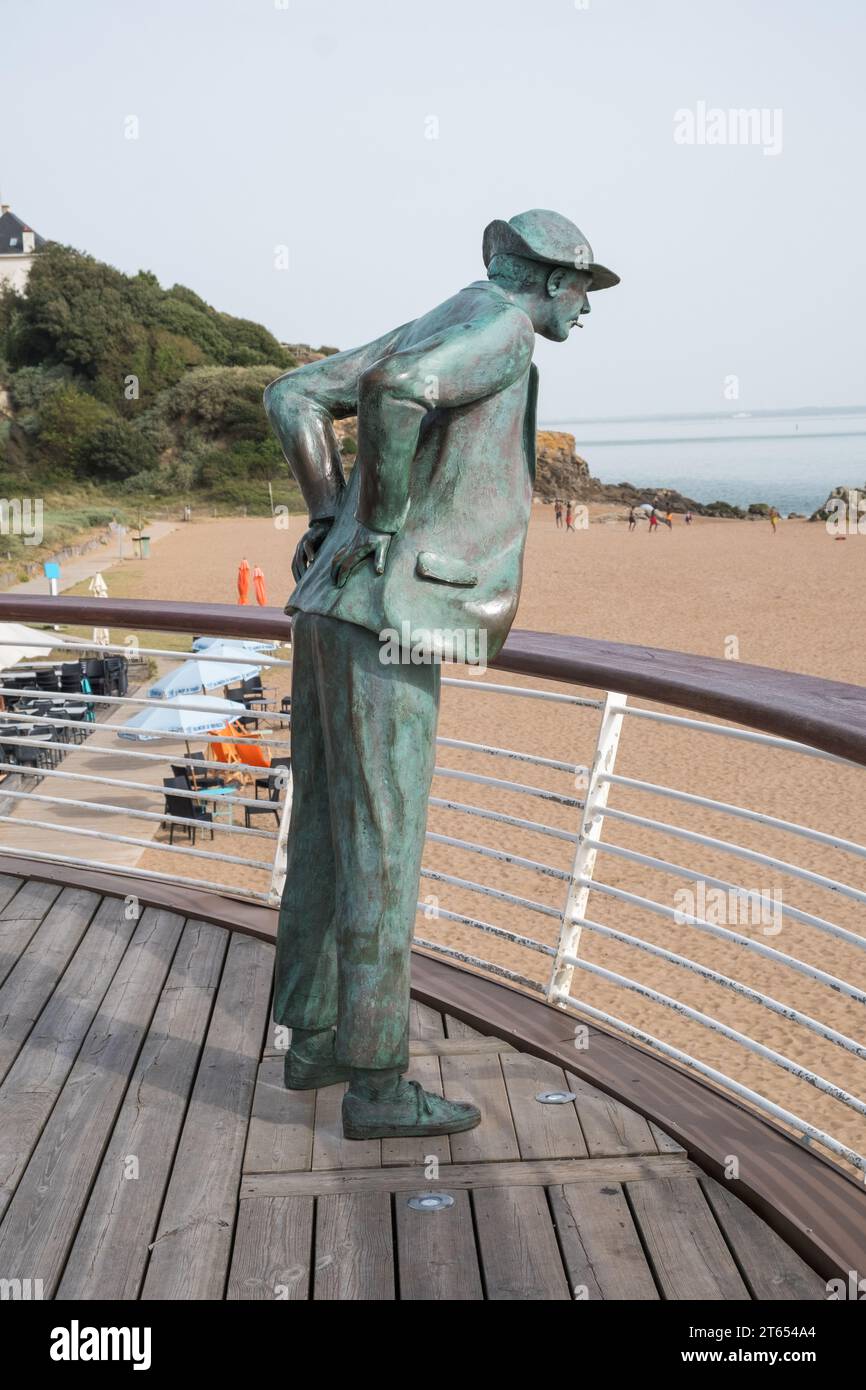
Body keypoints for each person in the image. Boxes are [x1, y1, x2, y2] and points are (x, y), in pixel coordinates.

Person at [264, 208, 620, 1140]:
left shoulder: (452, 309)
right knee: (384, 843)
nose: (587, 311)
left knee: (330, 832)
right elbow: (399, 393)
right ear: (549, 280)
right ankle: (377, 1084)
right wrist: (375, 528)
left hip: (328, 610)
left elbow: (294, 395)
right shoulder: (499, 328)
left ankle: (317, 1037)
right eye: (585, 291)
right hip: (392, 618)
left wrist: (330, 517)